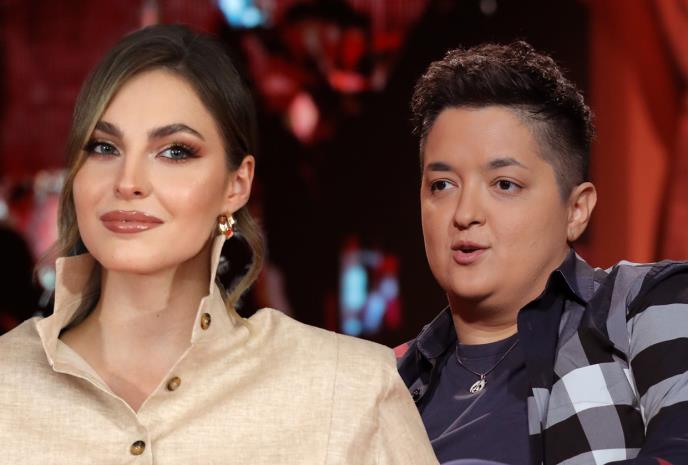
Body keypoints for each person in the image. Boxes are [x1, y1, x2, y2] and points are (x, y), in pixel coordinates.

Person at [0, 24, 438, 465]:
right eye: (103, 147)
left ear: (237, 184)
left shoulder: (349, 390)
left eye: (175, 151)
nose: (128, 182)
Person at [396, 41, 688, 465]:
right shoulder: (390, 380)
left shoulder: (644, 306)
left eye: (504, 184)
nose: (464, 214)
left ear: (576, 210)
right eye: (442, 185)